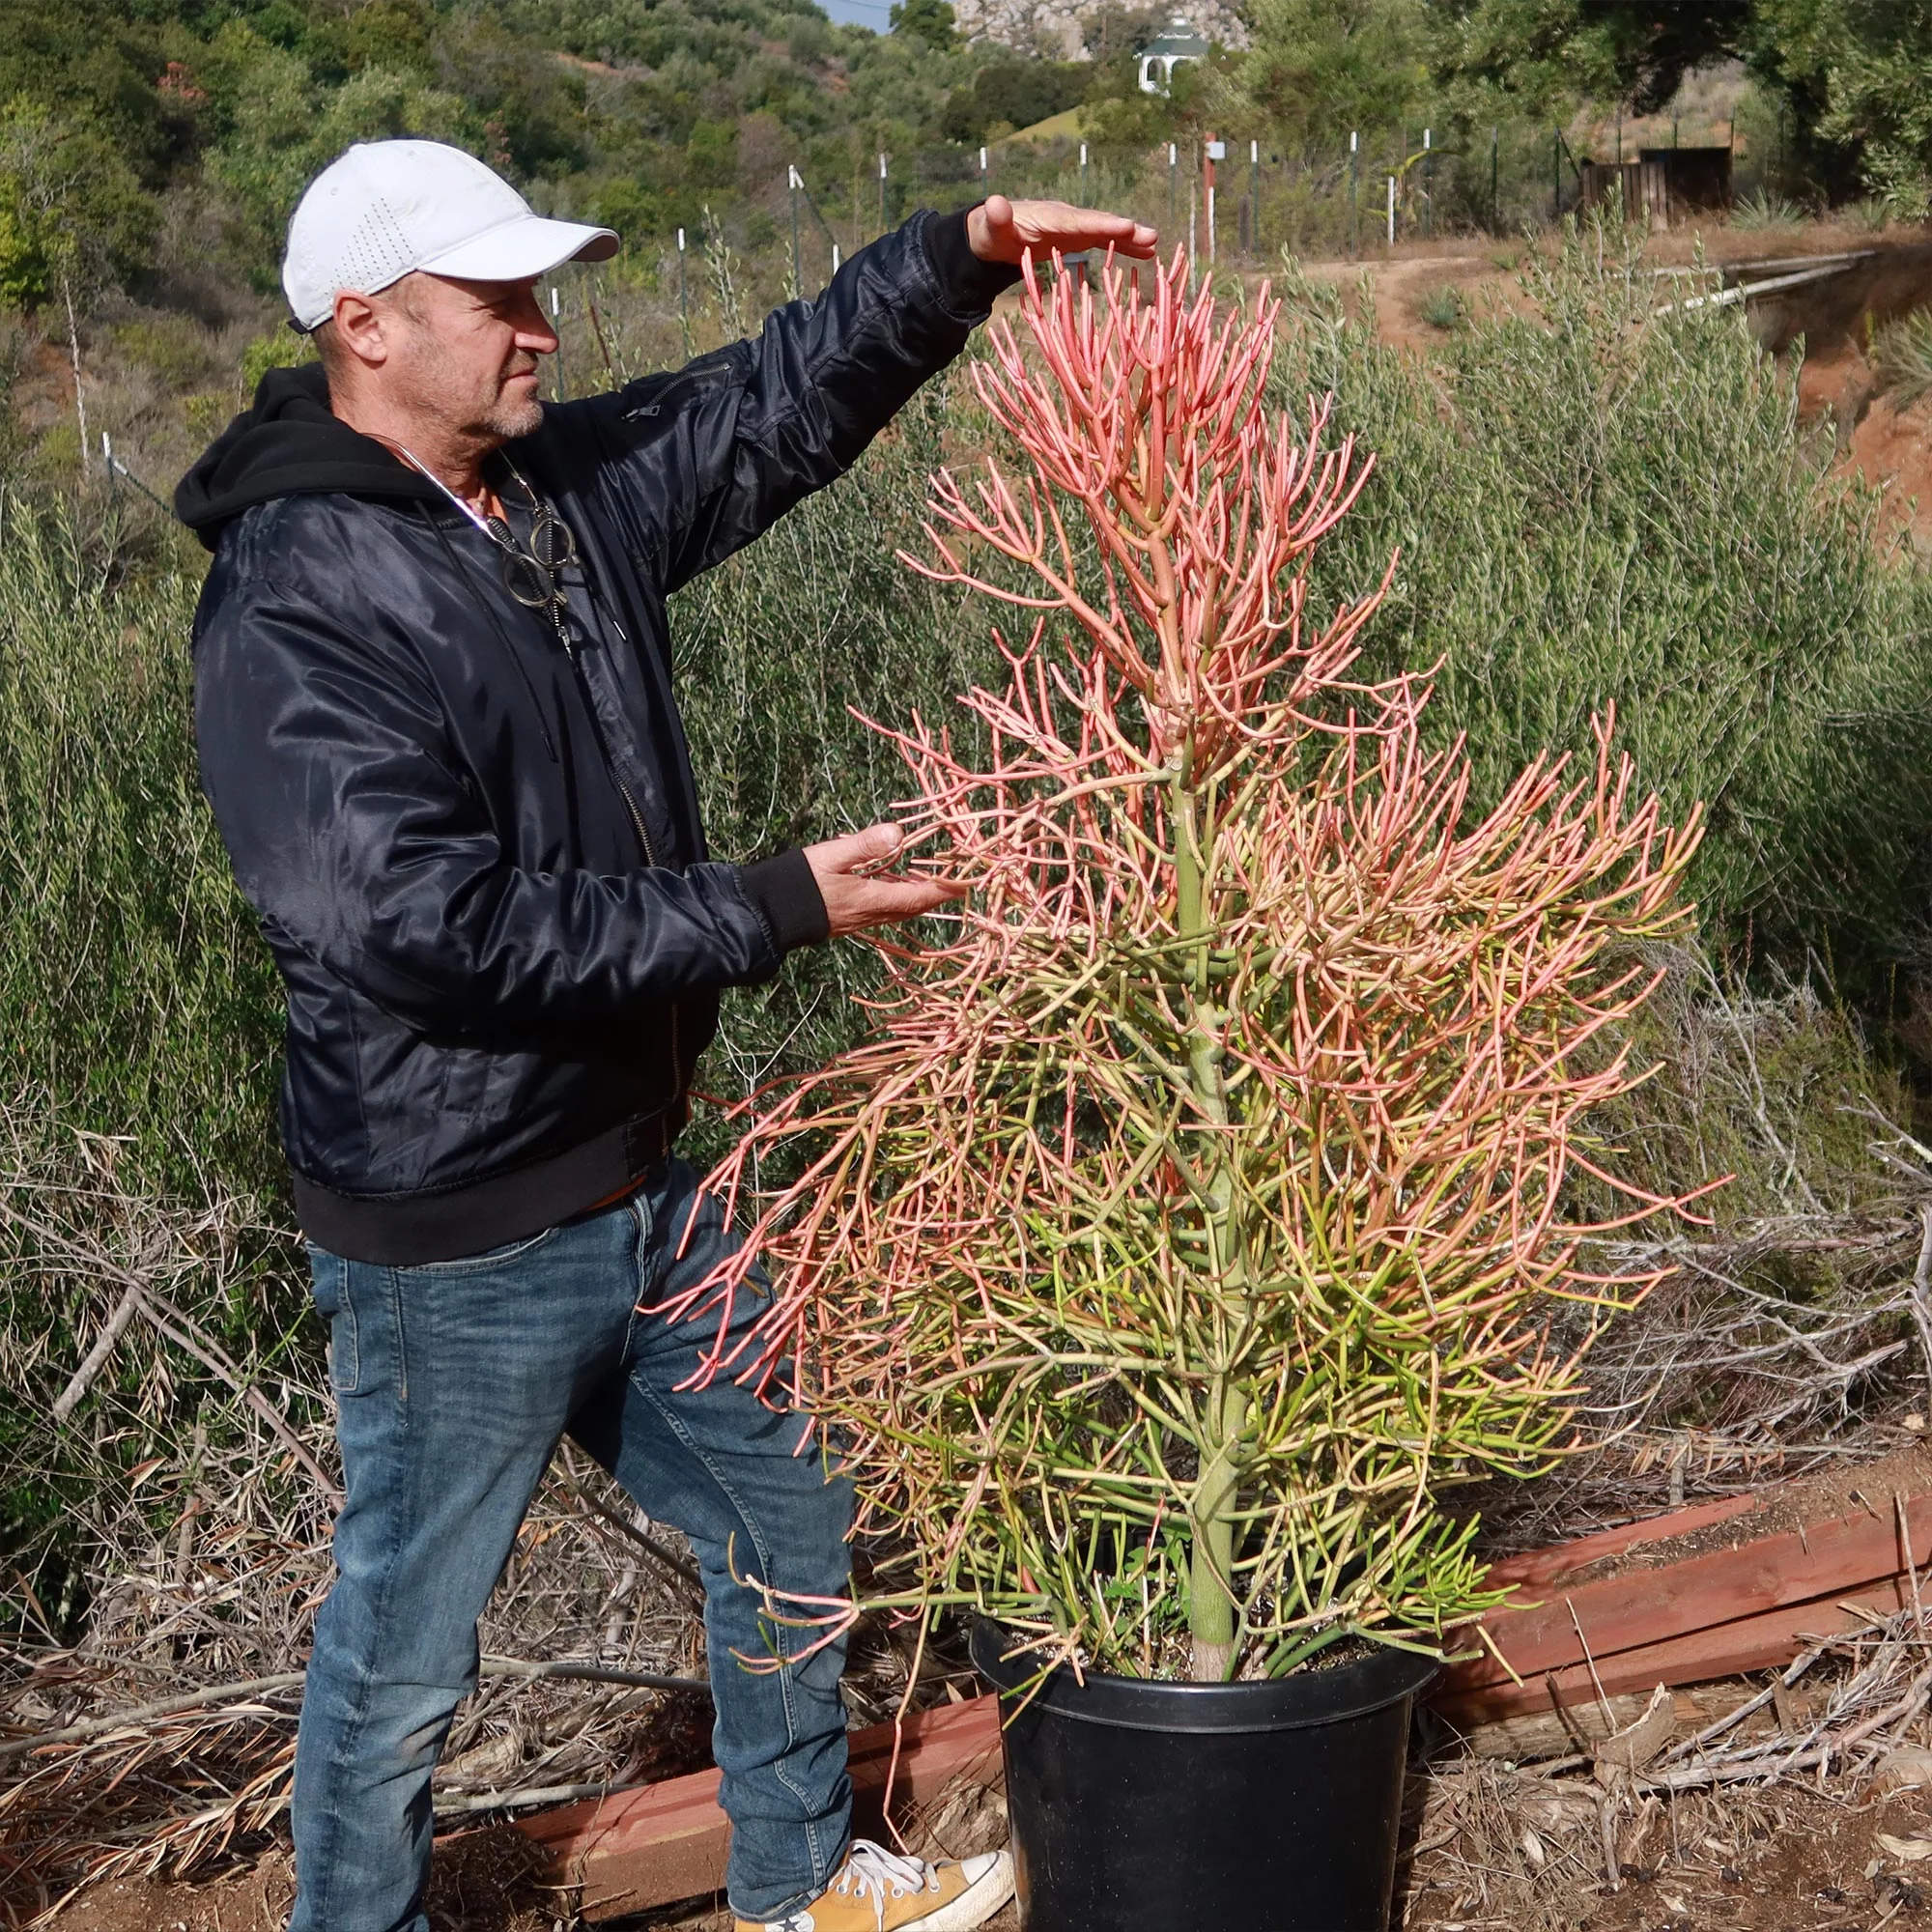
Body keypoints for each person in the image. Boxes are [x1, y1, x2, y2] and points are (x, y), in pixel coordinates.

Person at [176, 139, 1155, 1932]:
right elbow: (423, 932)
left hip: (638, 1172)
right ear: (365, 325)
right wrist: (774, 902)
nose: (543, 332)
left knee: (787, 1515)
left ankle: (796, 1889)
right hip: (457, 1232)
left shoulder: (540, 495)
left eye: (541, 293)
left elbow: (764, 406)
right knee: (404, 1661)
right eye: (501, 301)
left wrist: (957, 257)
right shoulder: (296, 597)